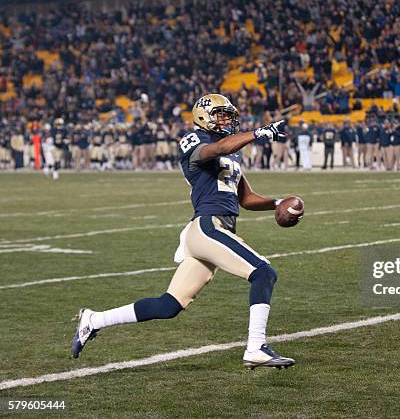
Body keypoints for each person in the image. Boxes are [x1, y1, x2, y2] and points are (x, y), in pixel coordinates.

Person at [72, 94, 296, 369]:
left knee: (168, 306)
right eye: (221, 115)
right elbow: (212, 151)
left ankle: (93, 320)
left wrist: (278, 203)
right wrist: (258, 133)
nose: (227, 120)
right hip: (207, 226)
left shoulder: (231, 150)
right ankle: (255, 348)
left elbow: (246, 199)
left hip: (215, 229)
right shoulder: (196, 142)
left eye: (228, 115)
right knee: (264, 273)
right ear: (204, 116)